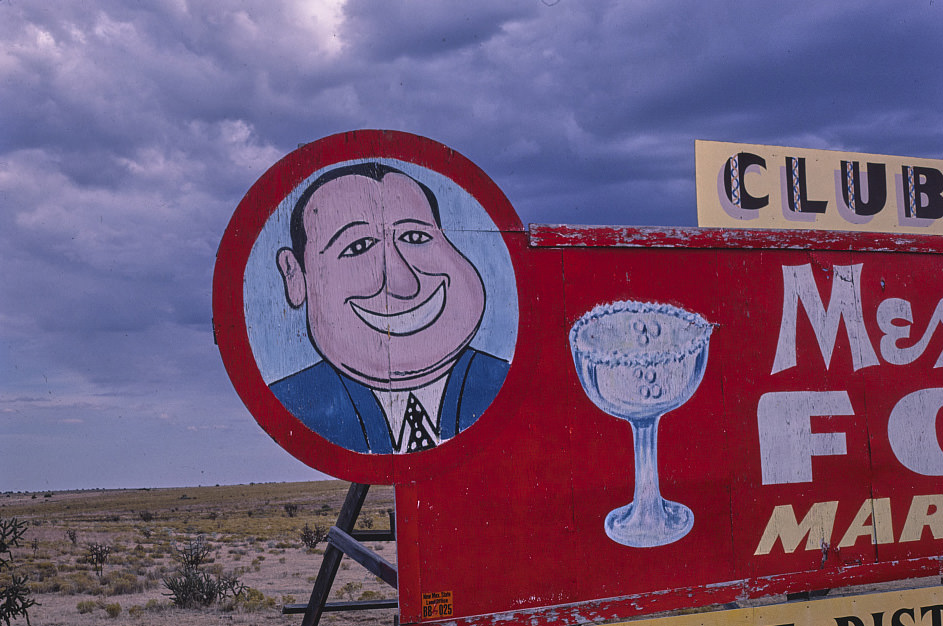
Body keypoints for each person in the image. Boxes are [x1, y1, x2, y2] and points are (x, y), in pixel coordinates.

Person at [270, 162, 509, 454]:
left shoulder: (502, 384)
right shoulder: (294, 403)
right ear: (295, 276)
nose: (404, 283)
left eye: (415, 237)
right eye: (358, 247)